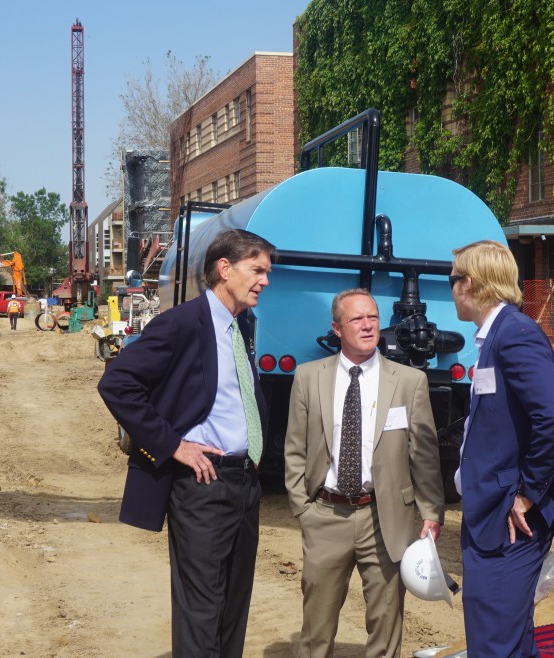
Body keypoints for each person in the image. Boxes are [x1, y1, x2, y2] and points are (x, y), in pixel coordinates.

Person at [96, 228, 274, 657]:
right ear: (224, 268)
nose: (265, 281)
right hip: (202, 486)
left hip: (244, 483)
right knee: (201, 609)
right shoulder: (181, 323)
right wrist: (172, 444)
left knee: (234, 606)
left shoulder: (240, 324)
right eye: (258, 270)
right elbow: (117, 383)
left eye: (268, 272)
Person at [284, 288, 445, 658]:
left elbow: (424, 454)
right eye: (357, 319)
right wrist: (302, 509)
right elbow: (294, 448)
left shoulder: (408, 381)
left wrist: (432, 512)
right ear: (337, 328)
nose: (368, 325)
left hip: (385, 519)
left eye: (372, 317)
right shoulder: (309, 377)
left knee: (386, 630)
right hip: (325, 515)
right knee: (316, 631)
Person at [449, 240, 554, 657]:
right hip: (493, 514)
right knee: (512, 641)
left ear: (470, 283)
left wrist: (526, 494)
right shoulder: (497, 336)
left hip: (508, 520)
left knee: (493, 644)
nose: (450, 290)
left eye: (452, 280)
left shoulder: (515, 334)